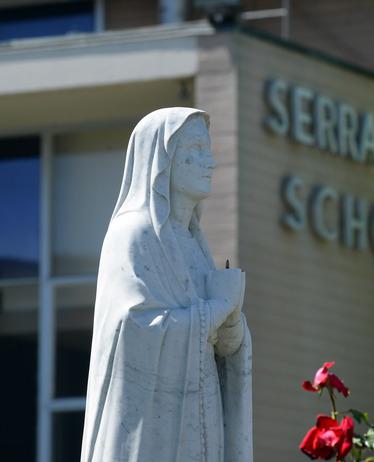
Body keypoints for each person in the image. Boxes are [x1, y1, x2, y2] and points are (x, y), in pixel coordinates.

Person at [80, 108, 252, 462]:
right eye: (196, 148)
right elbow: (132, 328)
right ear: (161, 158)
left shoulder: (194, 244)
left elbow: (220, 345)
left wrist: (232, 319)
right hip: (150, 436)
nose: (211, 162)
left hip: (201, 425)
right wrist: (217, 308)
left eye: (209, 149)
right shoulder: (133, 233)